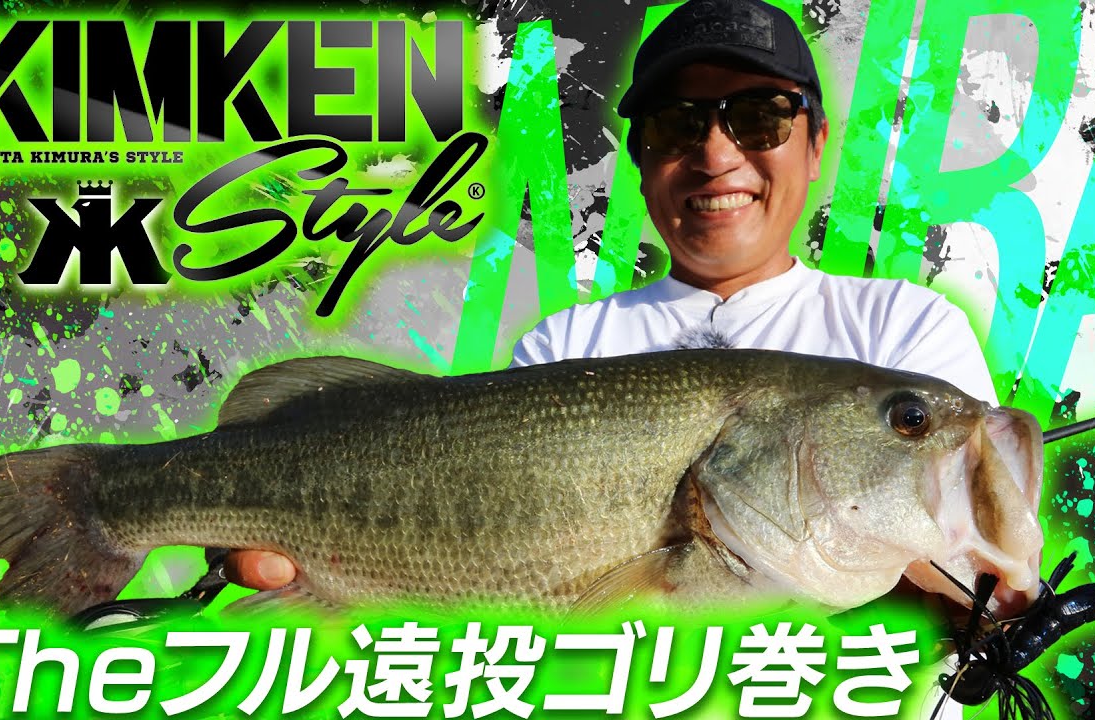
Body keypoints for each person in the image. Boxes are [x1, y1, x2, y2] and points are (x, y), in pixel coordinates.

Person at [227, 0, 996, 617]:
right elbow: (516, 600)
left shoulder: (907, 329)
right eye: (677, 122)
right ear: (639, 157)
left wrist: (980, 599)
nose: (716, 153)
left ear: (816, 142)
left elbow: (970, 570)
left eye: (760, 115)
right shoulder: (565, 343)